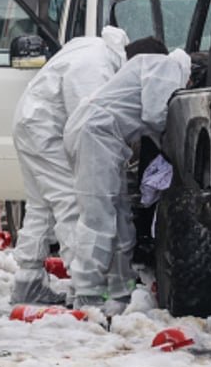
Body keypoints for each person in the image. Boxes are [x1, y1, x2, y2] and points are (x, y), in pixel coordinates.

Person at [63, 42, 191, 315]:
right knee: (98, 215)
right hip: (97, 134)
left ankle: (121, 291)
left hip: (98, 134)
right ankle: (87, 294)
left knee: (119, 214)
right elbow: (156, 116)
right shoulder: (167, 66)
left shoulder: (148, 64)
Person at [9, 26, 130, 305]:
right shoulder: (96, 67)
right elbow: (86, 124)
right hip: (45, 130)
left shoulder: (93, 47)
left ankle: (27, 282)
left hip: (31, 123)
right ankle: (85, 291)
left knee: (41, 206)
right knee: (72, 203)